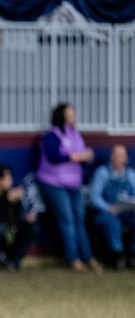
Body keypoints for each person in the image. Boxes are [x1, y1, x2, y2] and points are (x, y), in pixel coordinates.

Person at [36, 103, 102, 272]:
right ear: (62, 116)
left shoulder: (75, 134)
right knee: (68, 220)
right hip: (54, 183)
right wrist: (78, 156)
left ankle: (88, 257)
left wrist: (86, 157)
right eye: (71, 113)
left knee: (80, 219)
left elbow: (79, 155)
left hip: (74, 183)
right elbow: (53, 156)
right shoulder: (51, 135)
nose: (74, 116)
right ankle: (73, 258)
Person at [88, 143, 135, 269]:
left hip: (127, 213)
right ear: (111, 157)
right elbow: (94, 197)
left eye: (122, 156)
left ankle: (132, 255)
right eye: (116, 155)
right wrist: (108, 208)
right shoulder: (102, 173)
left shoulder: (130, 175)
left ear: (126, 159)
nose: (119, 158)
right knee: (112, 222)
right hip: (106, 213)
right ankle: (117, 255)